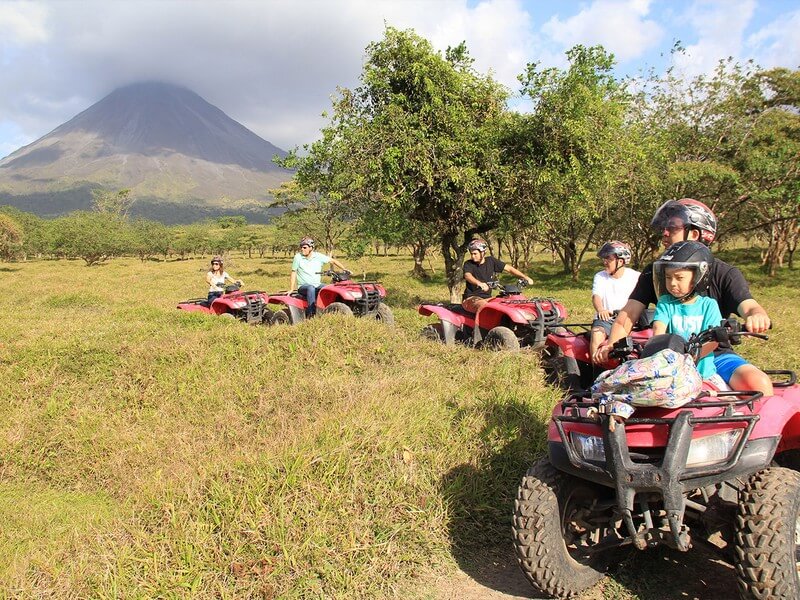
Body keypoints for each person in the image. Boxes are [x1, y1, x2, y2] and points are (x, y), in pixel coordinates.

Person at [593, 198, 773, 395]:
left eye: (673, 227)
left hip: (715, 356)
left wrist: (757, 316)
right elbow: (628, 315)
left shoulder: (725, 273)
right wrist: (612, 343)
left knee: (759, 383)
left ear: (695, 234)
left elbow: (749, 306)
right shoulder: (655, 271)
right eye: (664, 227)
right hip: (664, 356)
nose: (664, 233)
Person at [651, 241, 724, 386]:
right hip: (673, 374)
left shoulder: (708, 305)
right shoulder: (666, 303)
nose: (672, 283)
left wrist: (690, 357)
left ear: (699, 277)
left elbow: (714, 340)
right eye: (668, 277)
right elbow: (658, 332)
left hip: (704, 373)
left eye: (679, 278)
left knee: (722, 400)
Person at [589, 241, 640, 361]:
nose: (605, 262)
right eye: (604, 258)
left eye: (608, 259)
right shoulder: (600, 276)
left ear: (621, 261)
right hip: (607, 320)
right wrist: (601, 310)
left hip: (630, 320)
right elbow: (596, 296)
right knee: (597, 334)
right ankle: (595, 370)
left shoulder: (636, 276)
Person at [462, 238, 534, 313]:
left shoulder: (491, 261)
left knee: (506, 304)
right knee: (485, 307)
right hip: (471, 299)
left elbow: (509, 269)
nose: (473, 256)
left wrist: (525, 277)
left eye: (475, 254)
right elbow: (468, 276)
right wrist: (479, 283)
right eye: (471, 254)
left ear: (483, 252)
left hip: (488, 298)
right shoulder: (468, 264)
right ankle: (479, 325)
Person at [289, 237, 349, 317]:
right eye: (301, 247)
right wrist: (292, 288)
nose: (302, 249)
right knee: (311, 288)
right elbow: (294, 272)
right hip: (303, 286)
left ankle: (332, 310)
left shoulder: (318, 256)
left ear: (311, 248)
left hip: (317, 284)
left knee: (330, 288)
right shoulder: (298, 257)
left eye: (304, 247)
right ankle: (311, 314)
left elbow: (333, 261)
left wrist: (345, 269)